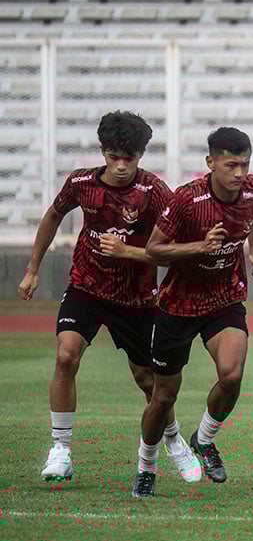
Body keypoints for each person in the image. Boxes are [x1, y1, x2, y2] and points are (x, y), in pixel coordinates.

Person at [18, 111, 199, 485]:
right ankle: (61, 450)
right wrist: (33, 268)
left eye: (128, 158)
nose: (120, 166)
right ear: (103, 151)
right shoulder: (81, 183)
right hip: (86, 287)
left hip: (136, 299)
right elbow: (53, 215)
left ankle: (173, 438)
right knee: (66, 354)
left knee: (150, 382)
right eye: (113, 156)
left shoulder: (153, 192)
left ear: (141, 156)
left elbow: (172, 244)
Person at [133, 127, 253, 497]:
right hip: (179, 304)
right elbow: (154, 251)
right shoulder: (186, 201)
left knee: (232, 375)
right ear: (211, 163)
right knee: (163, 396)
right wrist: (198, 247)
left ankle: (204, 439)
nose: (239, 173)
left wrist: (251, 251)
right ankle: (147, 465)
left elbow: (251, 216)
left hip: (224, 299)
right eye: (231, 165)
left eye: (244, 164)